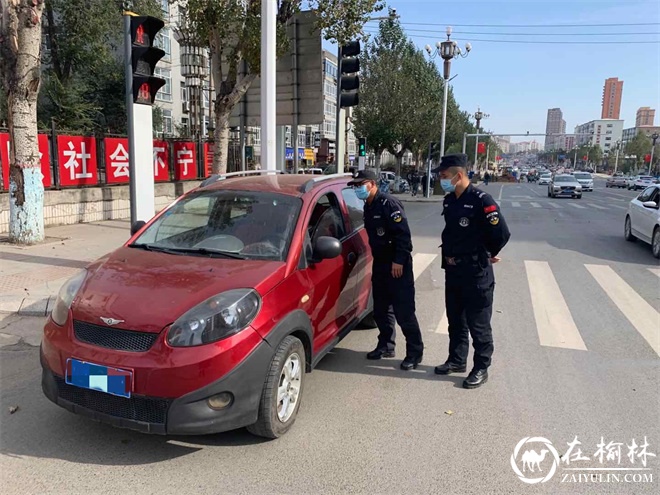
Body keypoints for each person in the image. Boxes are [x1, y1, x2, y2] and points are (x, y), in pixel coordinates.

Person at [433, 154, 510, 389]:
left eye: (444, 176)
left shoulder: (481, 200)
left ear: (459, 175)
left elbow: (501, 233)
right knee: (456, 321)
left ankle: (481, 367)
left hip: (476, 273)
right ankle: (457, 360)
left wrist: (488, 252)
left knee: (478, 324)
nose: (441, 179)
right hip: (454, 271)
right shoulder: (450, 200)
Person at [348, 170, 424, 370]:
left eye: (360, 184)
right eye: (355, 185)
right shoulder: (369, 205)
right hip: (381, 263)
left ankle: (414, 353)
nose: (357, 188)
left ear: (372, 184)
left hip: (397, 265)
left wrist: (398, 261)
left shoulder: (388, 204)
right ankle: (386, 345)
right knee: (381, 310)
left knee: (404, 312)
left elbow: (403, 236)